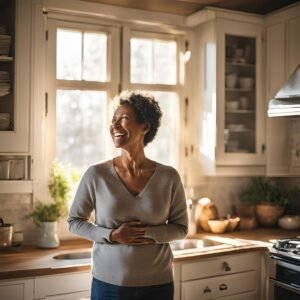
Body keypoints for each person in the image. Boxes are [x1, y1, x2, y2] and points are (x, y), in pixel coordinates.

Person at [68, 90, 188, 300]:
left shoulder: (169, 177)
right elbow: (74, 221)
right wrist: (113, 236)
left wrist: (147, 234)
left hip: (158, 284)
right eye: (113, 120)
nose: (114, 126)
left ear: (145, 126)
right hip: (109, 285)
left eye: (123, 119)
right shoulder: (96, 174)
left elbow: (181, 228)